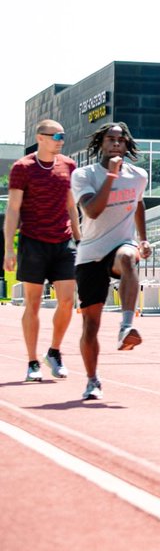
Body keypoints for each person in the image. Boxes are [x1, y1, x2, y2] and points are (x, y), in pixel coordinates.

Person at [71, 123, 151, 401]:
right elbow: (92, 211)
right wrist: (110, 176)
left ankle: (127, 326)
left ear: (127, 145)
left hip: (121, 244)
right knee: (90, 326)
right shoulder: (83, 175)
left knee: (129, 258)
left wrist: (142, 238)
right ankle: (92, 380)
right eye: (110, 139)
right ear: (101, 144)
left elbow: (138, 202)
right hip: (91, 253)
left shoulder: (139, 175)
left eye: (121, 140)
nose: (116, 143)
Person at [4, 119, 81, 382]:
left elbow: (72, 206)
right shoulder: (22, 167)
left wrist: (80, 240)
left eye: (63, 135)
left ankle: (54, 351)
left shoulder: (69, 165)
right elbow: (13, 209)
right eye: (56, 136)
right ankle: (32, 361)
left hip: (64, 241)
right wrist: (8, 250)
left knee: (68, 301)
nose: (61, 140)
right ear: (41, 138)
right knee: (33, 304)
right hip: (33, 241)